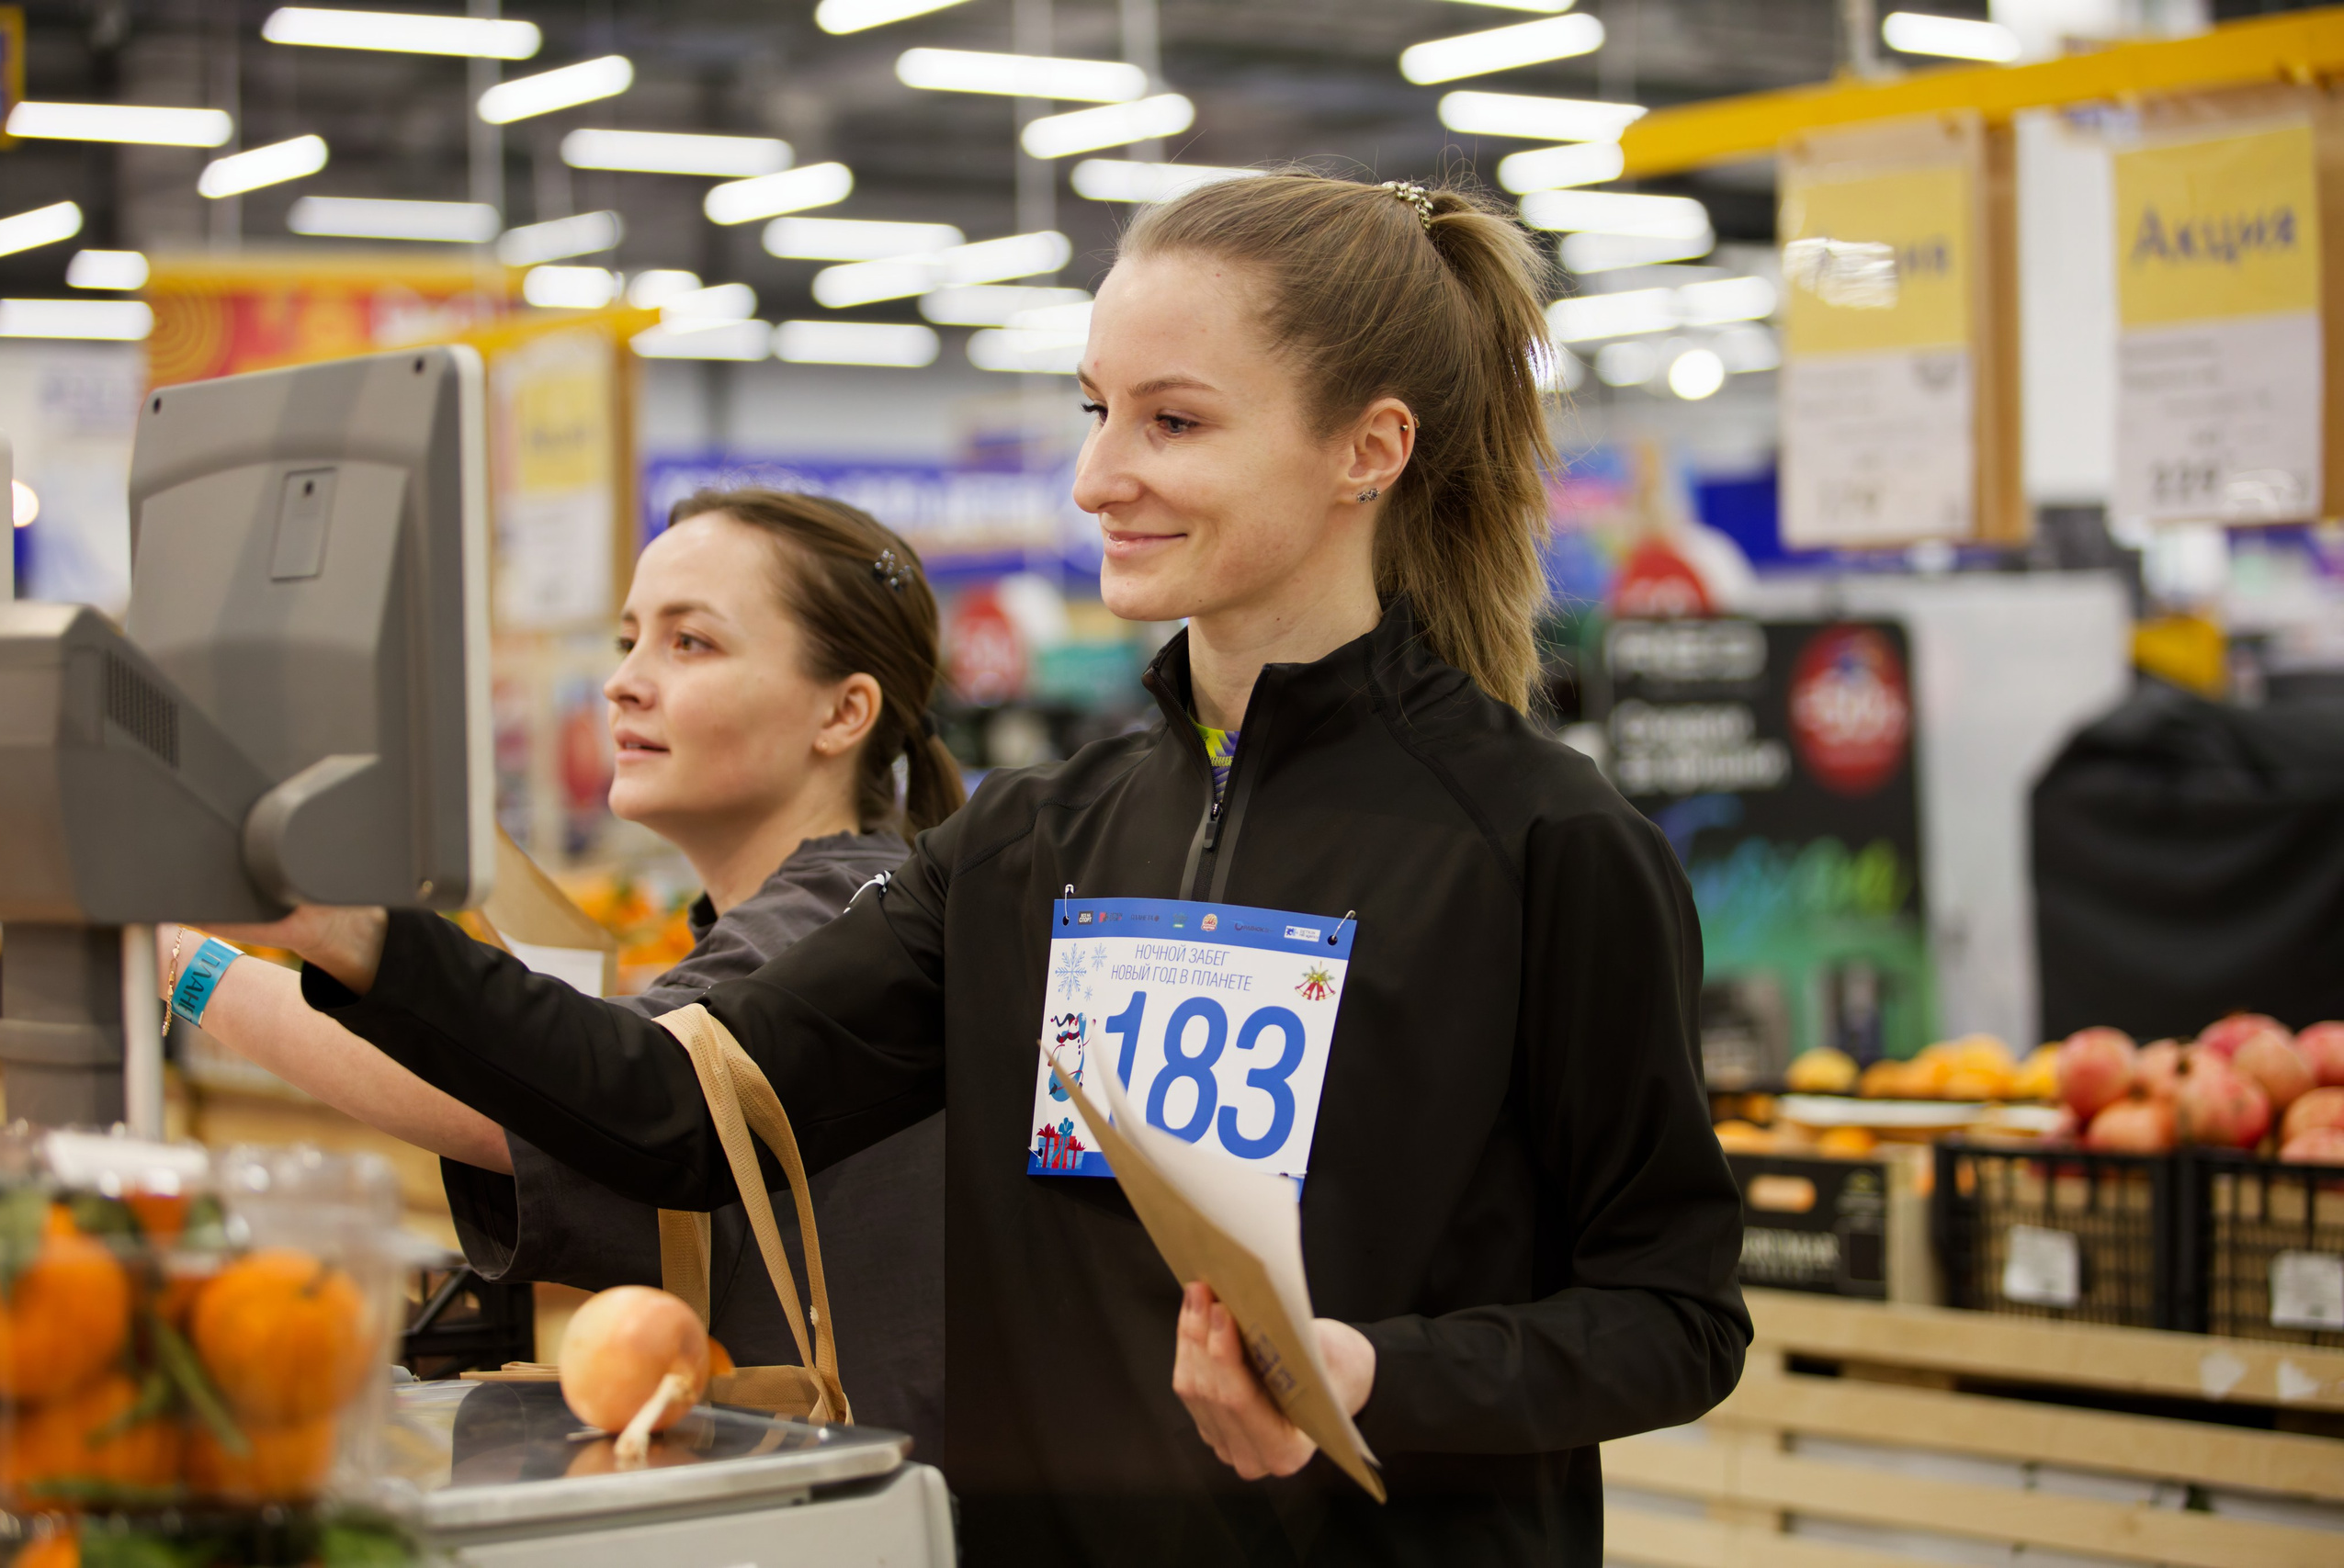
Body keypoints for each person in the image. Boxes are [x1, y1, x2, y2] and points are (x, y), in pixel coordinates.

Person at [236, 173, 1749, 1565]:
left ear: (1370, 447)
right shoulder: (1032, 843)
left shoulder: (1545, 847)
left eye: (1174, 422)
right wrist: (361, 931)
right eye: (1094, 409)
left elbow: (1672, 1313)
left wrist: (1370, 1372)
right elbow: (678, 1111)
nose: (1097, 476)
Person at [182, 489, 959, 1460]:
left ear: (843, 712)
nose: (623, 683)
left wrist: (180, 956)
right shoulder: (780, 915)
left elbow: (525, 1096)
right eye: (630, 639)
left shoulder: (835, 912)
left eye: (692, 644)